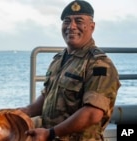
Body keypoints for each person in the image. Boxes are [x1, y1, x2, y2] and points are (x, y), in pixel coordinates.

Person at [20, 0, 121, 141]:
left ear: (92, 27)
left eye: (79, 21)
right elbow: (45, 98)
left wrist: (51, 133)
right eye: (67, 21)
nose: (71, 26)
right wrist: (15, 115)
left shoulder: (99, 64)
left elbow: (92, 113)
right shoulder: (59, 60)